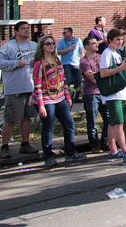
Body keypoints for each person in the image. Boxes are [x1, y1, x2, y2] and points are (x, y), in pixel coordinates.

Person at [31, 34, 87, 168]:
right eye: (48, 44)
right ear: (42, 47)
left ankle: (70, 153)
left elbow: (62, 80)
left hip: (59, 97)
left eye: (52, 43)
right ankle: (48, 156)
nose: (51, 45)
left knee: (69, 123)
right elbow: (37, 86)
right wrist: (41, 106)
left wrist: (67, 96)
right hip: (45, 99)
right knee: (48, 127)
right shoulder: (39, 64)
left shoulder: (56, 60)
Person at [0, 21, 39, 159]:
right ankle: (4, 147)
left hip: (30, 87)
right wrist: (15, 63)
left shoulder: (35, 46)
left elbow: (42, 61)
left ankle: (25, 144)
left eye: (27, 28)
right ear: (16, 32)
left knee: (27, 117)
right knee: (11, 118)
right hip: (14, 89)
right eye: (23, 29)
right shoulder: (8, 47)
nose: (26, 31)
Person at [99, 29, 126, 165]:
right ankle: (125, 152)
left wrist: (124, 68)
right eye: (117, 40)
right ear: (110, 41)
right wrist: (121, 68)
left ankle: (113, 150)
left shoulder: (116, 53)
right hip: (112, 94)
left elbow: (118, 73)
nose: (120, 43)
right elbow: (103, 73)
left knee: (113, 123)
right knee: (119, 123)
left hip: (119, 93)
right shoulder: (107, 54)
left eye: (121, 40)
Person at [80, 37, 109, 153]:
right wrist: (102, 75)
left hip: (103, 92)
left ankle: (105, 141)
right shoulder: (84, 62)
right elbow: (92, 79)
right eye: (93, 43)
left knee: (108, 118)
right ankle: (94, 144)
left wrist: (100, 74)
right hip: (90, 93)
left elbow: (107, 72)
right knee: (92, 120)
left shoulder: (101, 58)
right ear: (86, 47)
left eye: (96, 43)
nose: (96, 45)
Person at [56, 27, 84, 102]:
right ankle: (66, 97)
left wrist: (82, 59)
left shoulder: (77, 40)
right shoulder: (61, 41)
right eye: (63, 33)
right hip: (66, 64)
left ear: (71, 33)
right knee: (67, 81)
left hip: (76, 64)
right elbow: (58, 52)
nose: (63, 34)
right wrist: (69, 49)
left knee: (78, 80)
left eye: (65, 33)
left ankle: (76, 96)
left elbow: (81, 50)